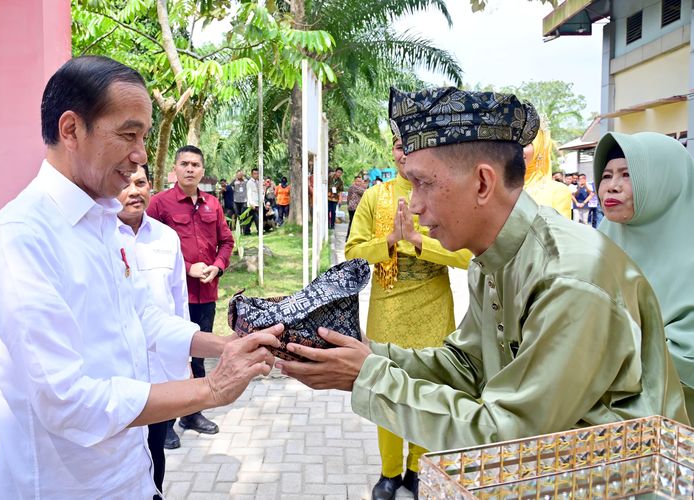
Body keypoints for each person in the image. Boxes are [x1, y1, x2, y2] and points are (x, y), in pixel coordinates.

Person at [277, 86, 688, 457]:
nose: (415, 205)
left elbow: (510, 436)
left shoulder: (569, 279)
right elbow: (469, 366)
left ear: (482, 184)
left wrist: (368, 377)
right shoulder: (493, 258)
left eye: (423, 184)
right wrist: (369, 355)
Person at [0, 55, 282, 498]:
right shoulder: (23, 237)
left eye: (144, 137)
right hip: (67, 486)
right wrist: (210, 389)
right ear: (70, 130)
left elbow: (144, 317)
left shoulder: (105, 223)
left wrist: (226, 346)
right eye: (127, 135)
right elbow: (66, 401)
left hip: (131, 476)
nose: (139, 156)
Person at [346, 136, 471, 500]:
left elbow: (466, 256)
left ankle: (417, 469)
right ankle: (389, 473)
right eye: (401, 146)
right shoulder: (374, 196)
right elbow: (352, 251)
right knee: (385, 391)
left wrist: (419, 241)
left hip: (433, 309)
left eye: (413, 146)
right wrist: (388, 240)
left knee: (428, 394)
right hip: (387, 309)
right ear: (393, 151)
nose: (405, 154)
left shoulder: (444, 194)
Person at [593, 131, 694, 418]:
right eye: (607, 175)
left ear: (666, 182)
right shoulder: (602, 241)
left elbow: (685, 361)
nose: (612, 187)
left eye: (627, 175)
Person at [148, 145, 235, 436]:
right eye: (184, 163)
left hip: (205, 295)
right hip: (171, 296)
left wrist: (217, 267)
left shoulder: (212, 203)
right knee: (171, 355)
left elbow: (226, 241)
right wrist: (187, 267)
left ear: (202, 170)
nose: (189, 169)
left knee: (197, 357)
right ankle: (165, 421)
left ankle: (191, 413)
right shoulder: (159, 204)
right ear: (175, 168)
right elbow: (149, 245)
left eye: (195, 164)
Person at [116, 164, 189, 494]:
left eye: (141, 183)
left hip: (160, 363)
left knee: (156, 447)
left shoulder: (166, 237)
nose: (134, 191)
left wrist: (186, 354)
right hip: (119, 369)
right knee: (124, 451)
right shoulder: (101, 237)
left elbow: (178, 299)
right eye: (127, 183)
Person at [523, 128, 572, 218]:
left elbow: (561, 230)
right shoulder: (495, 188)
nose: (517, 149)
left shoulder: (558, 191)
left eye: (525, 144)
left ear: (539, 147)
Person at [345, 174, 367, 241]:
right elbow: (365, 192)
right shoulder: (355, 187)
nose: (359, 183)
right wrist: (363, 185)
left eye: (360, 181)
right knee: (353, 223)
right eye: (358, 181)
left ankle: (349, 237)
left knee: (352, 222)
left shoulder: (351, 187)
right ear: (355, 181)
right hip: (354, 208)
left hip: (351, 207)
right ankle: (350, 237)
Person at [244, 168, 260, 235]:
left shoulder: (258, 182)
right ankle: (259, 231)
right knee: (256, 217)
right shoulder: (249, 183)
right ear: (252, 174)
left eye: (257, 173)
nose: (256, 175)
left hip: (257, 202)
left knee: (250, 218)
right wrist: (251, 203)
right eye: (255, 173)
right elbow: (249, 193)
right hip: (252, 203)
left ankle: (246, 231)